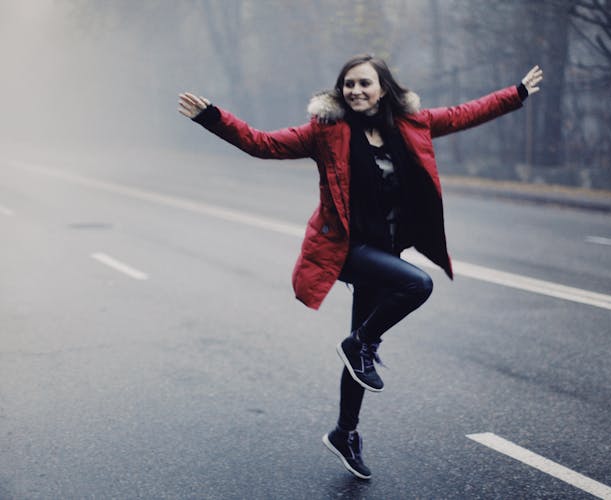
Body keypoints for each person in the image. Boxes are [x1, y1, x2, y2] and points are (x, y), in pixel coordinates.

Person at [179, 54, 543, 480]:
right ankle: (360, 344)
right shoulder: (326, 132)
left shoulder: (411, 124)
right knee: (417, 286)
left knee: (360, 358)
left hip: (385, 250)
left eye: (363, 83)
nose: (354, 91)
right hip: (346, 247)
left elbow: (465, 114)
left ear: (383, 88)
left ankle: (345, 432)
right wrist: (212, 116)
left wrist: (514, 94)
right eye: (348, 84)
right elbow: (264, 144)